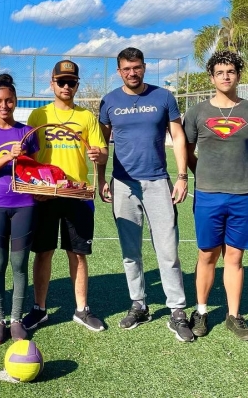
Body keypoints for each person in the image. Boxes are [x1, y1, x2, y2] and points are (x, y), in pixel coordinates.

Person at [97, 47, 194, 342]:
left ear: (144, 67)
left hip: (158, 182)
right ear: (119, 71)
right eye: (126, 69)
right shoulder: (109, 101)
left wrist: (181, 176)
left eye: (136, 67)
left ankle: (177, 310)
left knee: (168, 251)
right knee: (130, 252)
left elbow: (178, 136)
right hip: (123, 184)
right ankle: (139, 304)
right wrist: (101, 179)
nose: (132, 73)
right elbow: (100, 144)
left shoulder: (163, 97)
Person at [182, 50, 248, 342]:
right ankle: (202, 311)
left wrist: (242, 172)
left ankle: (234, 316)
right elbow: (187, 152)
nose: (225, 77)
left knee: (235, 256)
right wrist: (204, 174)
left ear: (238, 75)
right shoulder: (197, 113)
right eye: (219, 72)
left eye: (230, 72)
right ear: (211, 77)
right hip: (208, 194)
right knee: (207, 253)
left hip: (242, 195)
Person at [21, 60, 109, 332]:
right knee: (43, 252)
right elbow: (29, 157)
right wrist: (35, 187)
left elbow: (102, 152)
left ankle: (82, 310)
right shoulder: (39, 116)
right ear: (52, 83)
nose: (67, 86)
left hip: (78, 193)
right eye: (62, 81)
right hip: (46, 194)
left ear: (77, 85)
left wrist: (99, 155)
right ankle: (39, 309)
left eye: (72, 82)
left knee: (78, 254)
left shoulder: (86, 117)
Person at [0, 74, 39, 344]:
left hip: (24, 205)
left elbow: (34, 171)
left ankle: (16, 320)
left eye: (9, 100)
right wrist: (7, 155)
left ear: (15, 101)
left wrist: (22, 155)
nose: (4, 105)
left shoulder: (26, 132)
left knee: (20, 265)